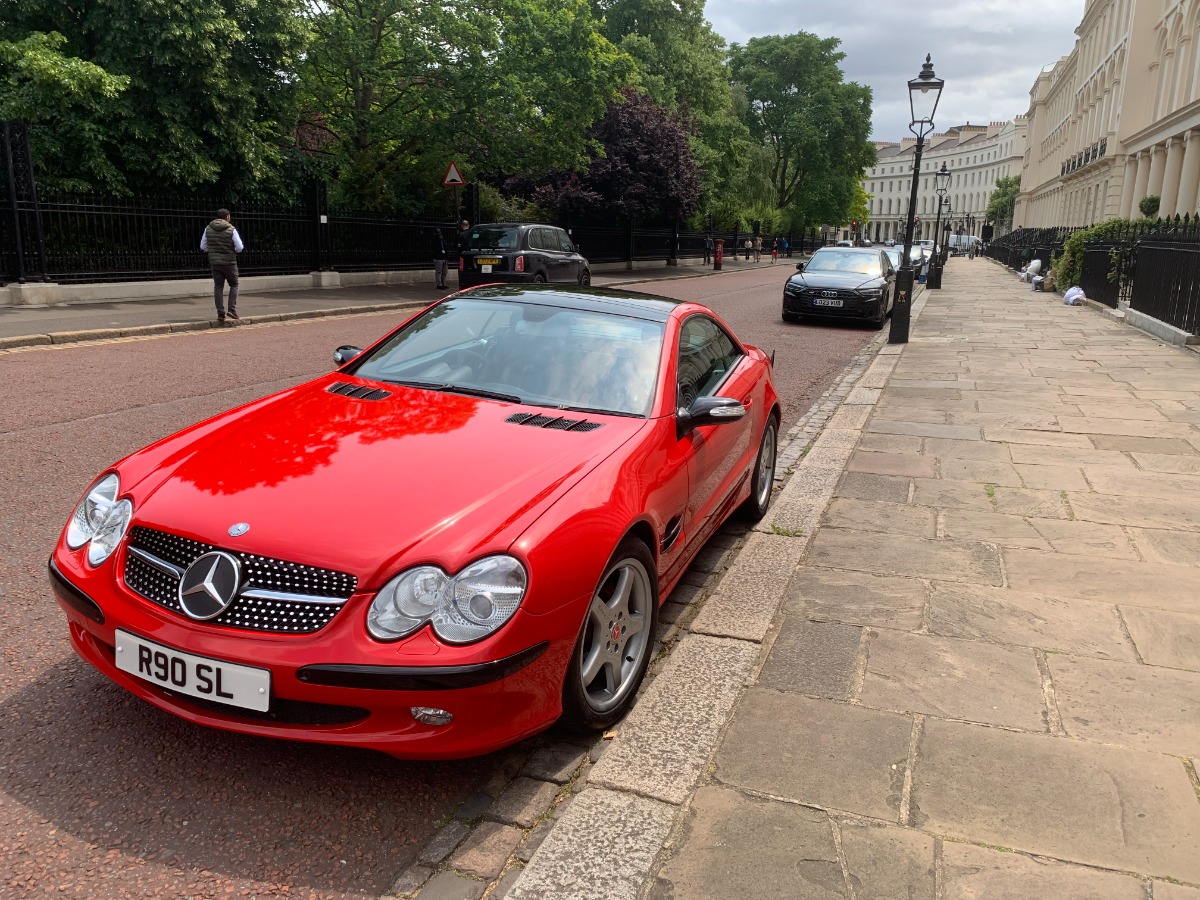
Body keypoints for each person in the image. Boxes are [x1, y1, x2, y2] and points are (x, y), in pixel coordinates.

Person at [200, 208, 243, 326]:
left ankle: (220, 313)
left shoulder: (208, 228)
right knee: (234, 284)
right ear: (227, 217)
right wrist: (231, 250)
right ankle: (231, 310)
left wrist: (213, 251)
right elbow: (240, 247)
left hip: (215, 263)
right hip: (229, 262)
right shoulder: (231, 229)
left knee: (218, 287)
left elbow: (203, 246)